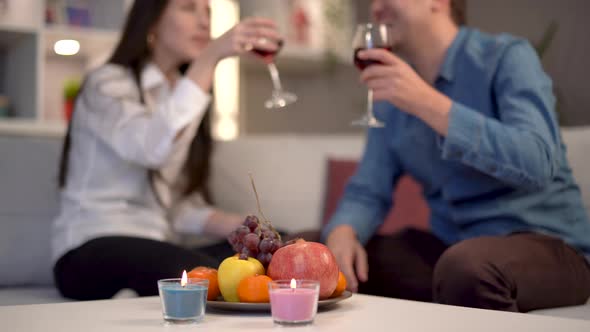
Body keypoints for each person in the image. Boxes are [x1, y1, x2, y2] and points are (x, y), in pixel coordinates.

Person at [323, 0, 590, 312]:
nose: (376, 7)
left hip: (549, 247)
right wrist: (343, 232)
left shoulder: (506, 57)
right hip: (452, 249)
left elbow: (539, 160)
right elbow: (369, 189)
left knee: (466, 268)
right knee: (314, 251)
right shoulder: (391, 95)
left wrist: (428, 103)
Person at [52, 0, 283, 300]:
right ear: (151, 21)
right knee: (204, 277)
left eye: (208, 12)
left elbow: (175, 206)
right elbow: (152, 148)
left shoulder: (185, 92)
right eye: (189, 8)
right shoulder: (106, 83)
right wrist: (210, 57)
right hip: (90, 248)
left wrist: (240, 228)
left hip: (157, 244)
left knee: (274, 252)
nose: (204, 22)